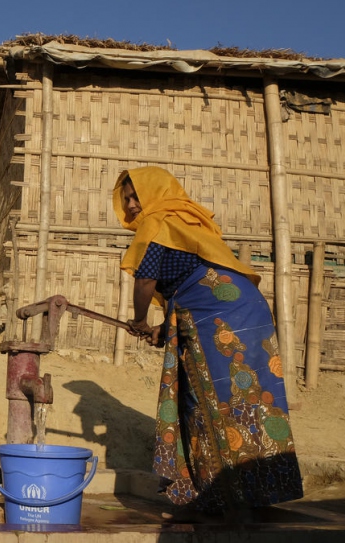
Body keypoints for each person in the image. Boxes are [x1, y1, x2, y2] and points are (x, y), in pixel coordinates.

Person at [114, 166, 302, 520]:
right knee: (251, 398)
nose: (132, 205)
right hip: (241, 308)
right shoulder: (186, 221)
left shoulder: (159, 223)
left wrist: (140, 320)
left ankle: (222, 496)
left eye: (136, 196)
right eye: (126, 199)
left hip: (222, 315)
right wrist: (163, 329)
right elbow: (187, 284)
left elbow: (145, 283)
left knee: (210, 398)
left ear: (156, 194)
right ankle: (255, 493)